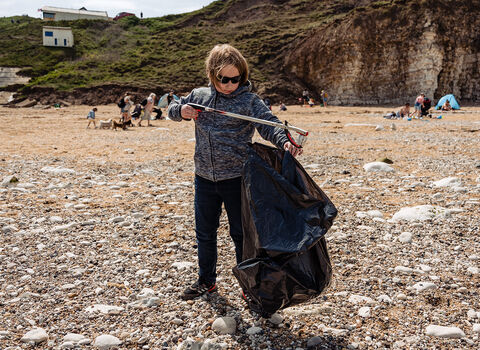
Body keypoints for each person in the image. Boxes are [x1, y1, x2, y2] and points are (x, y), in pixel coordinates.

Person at [168, 44, 302, 300]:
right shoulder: (199, 95)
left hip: (237, 179)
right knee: (204, 233)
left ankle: (248, 285)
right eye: (224, 79)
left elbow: (270, 125)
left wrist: (284, 141)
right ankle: (206, 281)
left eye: (236, 78)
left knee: (241, 235)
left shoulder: (249, 101)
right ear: (211, 75)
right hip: (204, 178)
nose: (230, 84)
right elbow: (173, 110)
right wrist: (181, 111)